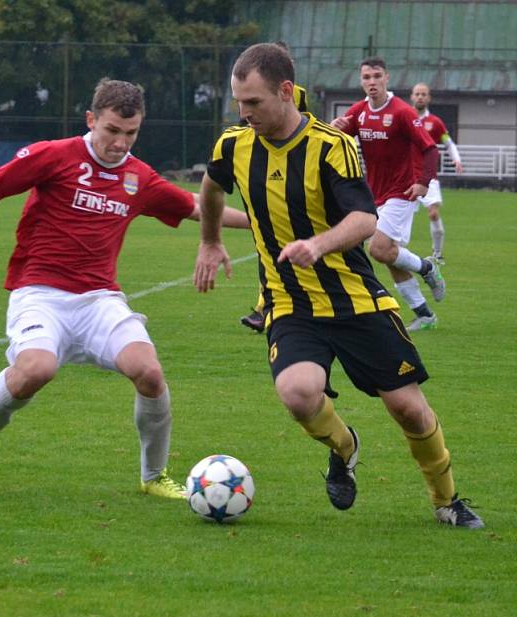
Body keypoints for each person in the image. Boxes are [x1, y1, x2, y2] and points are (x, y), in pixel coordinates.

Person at [0, 78, 249, 499]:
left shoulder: (138, 177)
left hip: (99, 300)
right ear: (91, 120)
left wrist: (262, 220)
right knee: (36, 370)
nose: (121, 143)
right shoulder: (54, 155)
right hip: (39, 294)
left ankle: (153, 476)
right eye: (112, 131)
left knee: (150, 373)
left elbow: (198, 207)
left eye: (131, 133)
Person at [194, 43, 483, 529]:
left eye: (255, 103)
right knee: (297, 392)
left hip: (355, 299)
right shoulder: (234, 145)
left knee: (408, 410)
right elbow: (210, 187)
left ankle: (446, 500)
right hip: (291, 303)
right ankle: (345, 447)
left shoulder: (332, 145)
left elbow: (365, 219)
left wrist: (319, 244)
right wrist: (209, 241)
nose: (245, 114)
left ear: (286, 92)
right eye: (239, 103)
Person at [331, 58, 444, 333]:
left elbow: (430, 150)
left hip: (402, 191)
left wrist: (423, 183)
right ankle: (424, 314)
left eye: (376, 76)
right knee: (388, 253)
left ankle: (427, 268)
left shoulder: (403, 112)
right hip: (374, 193)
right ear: (361, 81)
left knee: (378, 248)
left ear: (386, 78)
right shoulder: (359, 112)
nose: (371, 82)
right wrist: (332, 128)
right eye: (366, 77)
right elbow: (336, 135)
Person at [240, 41, 310, 334]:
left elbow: (301, 129)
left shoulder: (296, 94)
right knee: (266, 247)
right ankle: (264, 308)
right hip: (263, 175)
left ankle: (277, 308)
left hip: (295, 178)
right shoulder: (250, 96)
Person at [410, 82, 464, 264]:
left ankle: (437, 254)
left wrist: (456, 159)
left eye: (423, 94)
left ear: (429, 98)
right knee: (400, 214)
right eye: (417, 94)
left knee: (433, 214)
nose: (420, 97)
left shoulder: (435, 122)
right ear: (412, 96)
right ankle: (391, 248)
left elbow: (448, 143)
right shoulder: (404, 118)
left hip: (428, 177)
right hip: (406, 177)